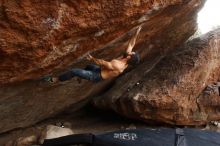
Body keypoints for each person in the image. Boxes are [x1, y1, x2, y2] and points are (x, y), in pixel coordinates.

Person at [45, 26, 141, 83]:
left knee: (74, 71)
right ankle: (80, 76)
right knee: (88, 66)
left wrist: (92, 58)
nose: (131, 51)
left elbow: (102, 62)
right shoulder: (127, 57)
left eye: (132, 53)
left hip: (96, 76)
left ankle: (56, 79)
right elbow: (132, 44)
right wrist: (137, 31)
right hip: (99, 69)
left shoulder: (118, 66)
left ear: (129, 57)